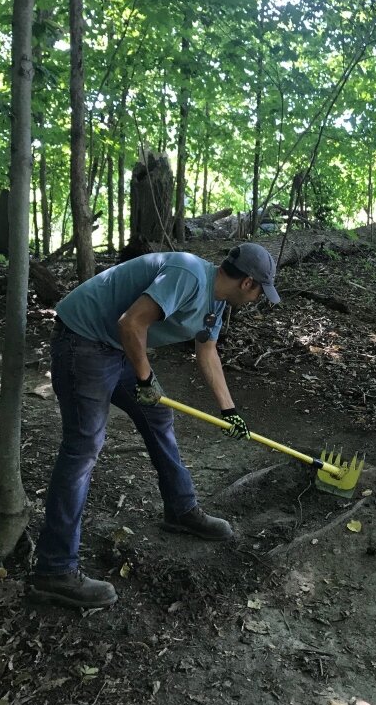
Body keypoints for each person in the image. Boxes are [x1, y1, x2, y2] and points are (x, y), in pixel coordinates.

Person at [30, 242, 280, 608]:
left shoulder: (217, 302)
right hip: (83, 341)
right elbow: (130, 323)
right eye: (261, 291)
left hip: (115, 348)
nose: (259, 299)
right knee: (83, 449)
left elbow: (206, 350)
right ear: (248, 284)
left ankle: (180, 510)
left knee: (157, 414)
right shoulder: (188, 274)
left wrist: (230, 411)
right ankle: (53, 570)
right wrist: (146, 380)